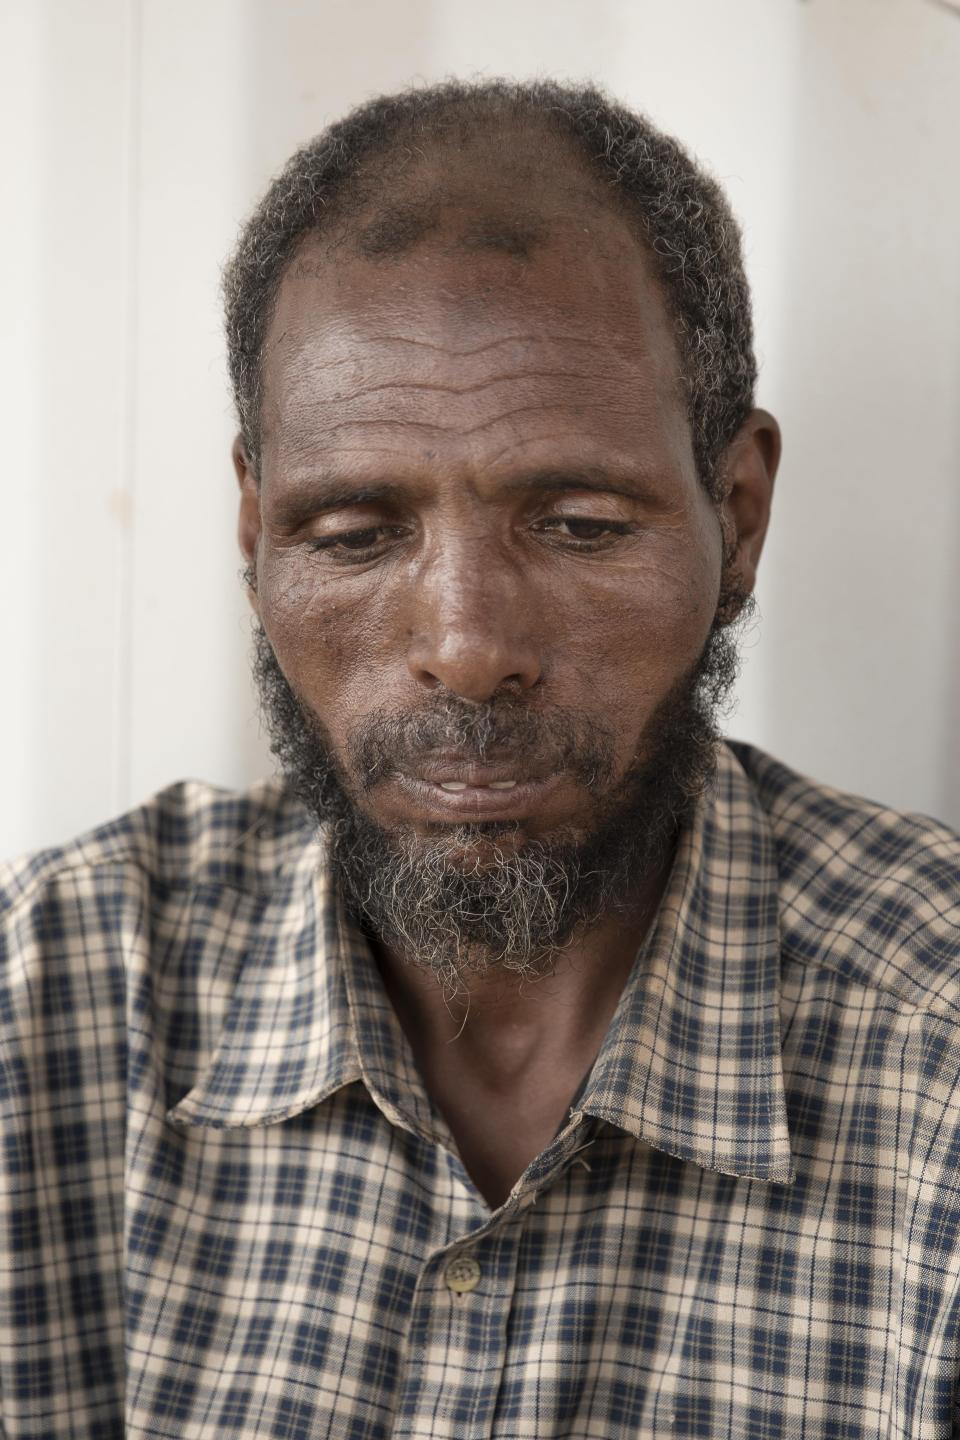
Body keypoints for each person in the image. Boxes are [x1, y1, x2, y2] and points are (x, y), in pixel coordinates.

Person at [2, 78, 958, 1440]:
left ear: (735, 518)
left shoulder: (937, 1067)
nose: (464, 646)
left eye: (576, 523)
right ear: (253, 532)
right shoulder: (46, 1008)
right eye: (352, 534)